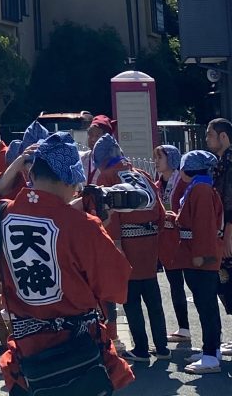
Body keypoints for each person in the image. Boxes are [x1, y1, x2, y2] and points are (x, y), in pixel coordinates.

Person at [0, 131, 134, 394]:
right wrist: (101, 225)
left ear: (32, 175)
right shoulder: (84, 226)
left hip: (27, 357)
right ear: (72, 180)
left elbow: (39, 214)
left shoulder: (0, 214)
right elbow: (115, 285)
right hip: (77, 355)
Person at [91, 134, 168, 363]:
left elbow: (110, 215)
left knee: (132, 299)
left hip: (126, 243)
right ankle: (162, 348)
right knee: (153, 298)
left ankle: (142, 349)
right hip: (150, 241)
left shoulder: (108, 176)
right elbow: (161, 210)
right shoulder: (141, 174)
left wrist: (115, 245)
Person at [169, 150, 224, 374]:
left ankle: (211, 355)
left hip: (199, 257)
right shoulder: (201, 187)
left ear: (187, 169)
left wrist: (200, 255)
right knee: (206, 306)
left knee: (206, 306)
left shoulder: (199, 189)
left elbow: (202, 226)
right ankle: (212, 350)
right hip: (197, 254)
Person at [153, 144, 191, 343]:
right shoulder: (157, 184)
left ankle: (211, 335)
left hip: (183, 238)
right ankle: (183, 327)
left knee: (195, 285)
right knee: (175, 285)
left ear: (172, 159)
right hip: (166, 241)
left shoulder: (183, 181)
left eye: (160, 157)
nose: (156, 161)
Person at [206, 117, 232, 351]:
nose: (207, 139)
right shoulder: (223, 161)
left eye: (210, 134)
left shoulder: (230, 162)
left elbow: (230, 204)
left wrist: (227, 236)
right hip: (225, 229)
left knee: (229, 281)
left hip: (230, 231)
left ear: (223, 136)